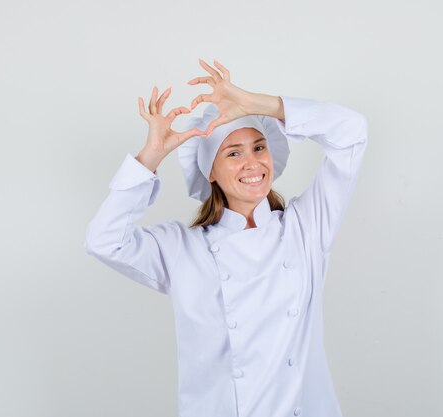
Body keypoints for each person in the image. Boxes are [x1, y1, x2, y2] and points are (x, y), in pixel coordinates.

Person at [84, 59, 368, 417]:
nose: (252, 163)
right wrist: (151, 156)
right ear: (211, 172)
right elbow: (103, 240)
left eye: (259, 147)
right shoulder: (182, 248)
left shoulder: (306, 227)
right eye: (233, 153)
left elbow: (352, 132)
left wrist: (257, 103)